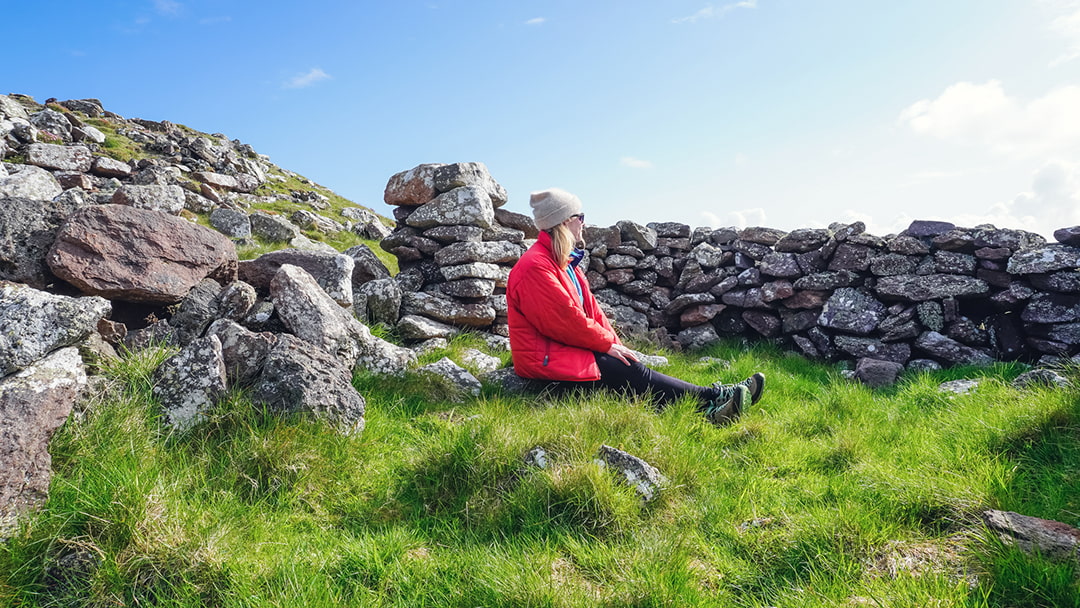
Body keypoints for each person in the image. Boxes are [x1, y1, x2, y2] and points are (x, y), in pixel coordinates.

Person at [505, 188, 765, 424]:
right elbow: (565, 321)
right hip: (546, 360)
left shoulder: (560, 262)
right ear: (564, 222)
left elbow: (592, 311)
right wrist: (607, 346)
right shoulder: (535, 267)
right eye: (580, 216)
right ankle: (715, 399)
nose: (583, 223)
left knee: (627, 368)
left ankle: (714, 405)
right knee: (627, 371)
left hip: (562, 349)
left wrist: (615, 345)